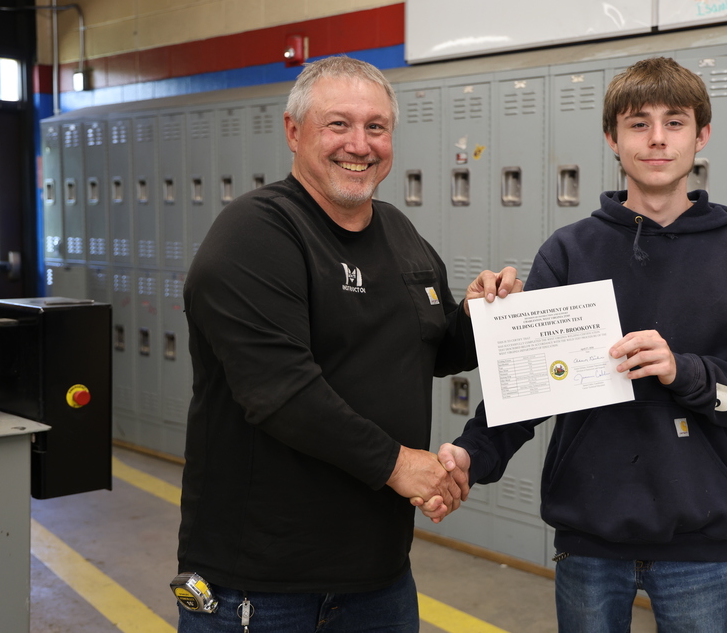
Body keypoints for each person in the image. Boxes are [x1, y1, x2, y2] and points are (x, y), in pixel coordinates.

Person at [434, 57, 727, 633]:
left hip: (699, 544)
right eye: (638, 123)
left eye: (675, 122)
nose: (657, 138)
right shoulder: (570, 251)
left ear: (702, 135)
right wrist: (470, 455)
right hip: (589, 541)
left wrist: (685, 371)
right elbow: (533, 390)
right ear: (612, 138)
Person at [177, 55, 519, 632]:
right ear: (294, 130)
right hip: (261, 584)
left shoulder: (400, 234)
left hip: (379, 575)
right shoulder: (256, 233)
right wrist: (397, 465)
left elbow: (438, 346)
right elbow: (281, 392)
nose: (359, 145)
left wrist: (490, 314)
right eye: (338, 124)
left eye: (376, 127)